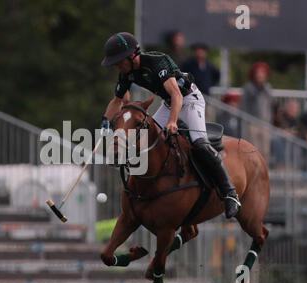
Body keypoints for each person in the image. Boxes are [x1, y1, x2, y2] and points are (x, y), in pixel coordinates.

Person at [100, 32, 241, 219]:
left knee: (199, 143)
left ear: (132, 56)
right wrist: (104, 122)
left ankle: (230, 193)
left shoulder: (158, 63)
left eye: (119, 61)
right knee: (146, 138)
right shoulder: (127, 73)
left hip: (189, 99)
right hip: (169, 103)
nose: (117, 66)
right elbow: (118, 100)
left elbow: (177, 95)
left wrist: (172, 121)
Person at [240, 62, 273, 160]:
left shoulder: (267, 87)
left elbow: (270, 104)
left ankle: (263, 171)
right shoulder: (249, 87)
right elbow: (244, 105)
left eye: (262, 73)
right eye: (258, 73)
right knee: (253, 149)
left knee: (265, 150)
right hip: (252, 123)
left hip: (265, 123)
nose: (260, 75)